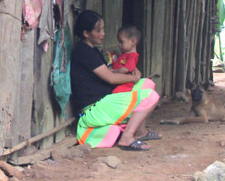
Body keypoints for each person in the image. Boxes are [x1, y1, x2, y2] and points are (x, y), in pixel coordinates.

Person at [69, 10, 161, 151]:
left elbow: (110, 71)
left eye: (103, 29)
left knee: (147, 83)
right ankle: (127, 138)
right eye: (98, 31)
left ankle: (140, 132)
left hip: (105, 101)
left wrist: (132, 71)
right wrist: (132, 77)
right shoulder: (83, 51)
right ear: (86, 33)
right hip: (95, 108)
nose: (103, 33)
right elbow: (111, 78)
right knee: (151, 96)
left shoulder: (93, 51)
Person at [110, 25, 159, 100]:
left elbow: (126, 69)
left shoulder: (133, 56)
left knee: (115, 94)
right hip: (119, 81)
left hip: (125, 84)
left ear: (132, 41)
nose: (119, 44)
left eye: (121, 42)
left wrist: (114, 71)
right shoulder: (125, 54)